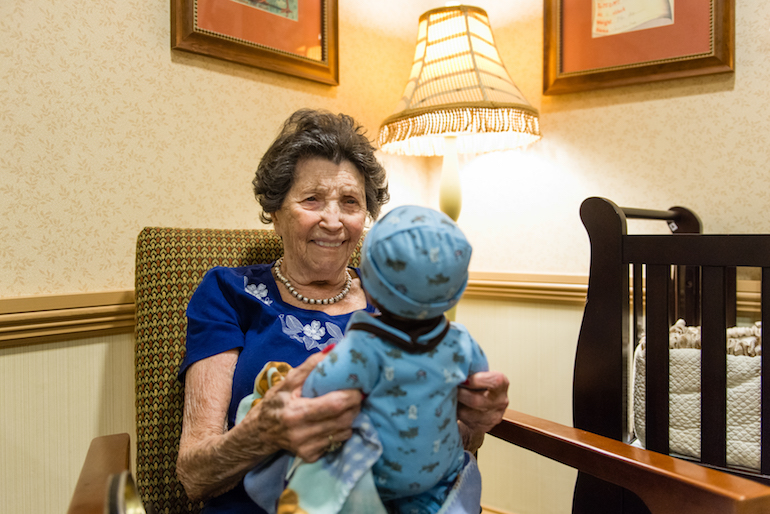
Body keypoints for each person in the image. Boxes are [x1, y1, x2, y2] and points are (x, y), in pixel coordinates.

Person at [176, 109, 510, 514]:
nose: (333, 221)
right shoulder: (229, 292)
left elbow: (435, 436)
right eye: (312, 199)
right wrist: (263, 434)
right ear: (276, 212)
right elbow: (193, 475)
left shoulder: (396, 302)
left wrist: (474, 422)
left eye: (350, 202)